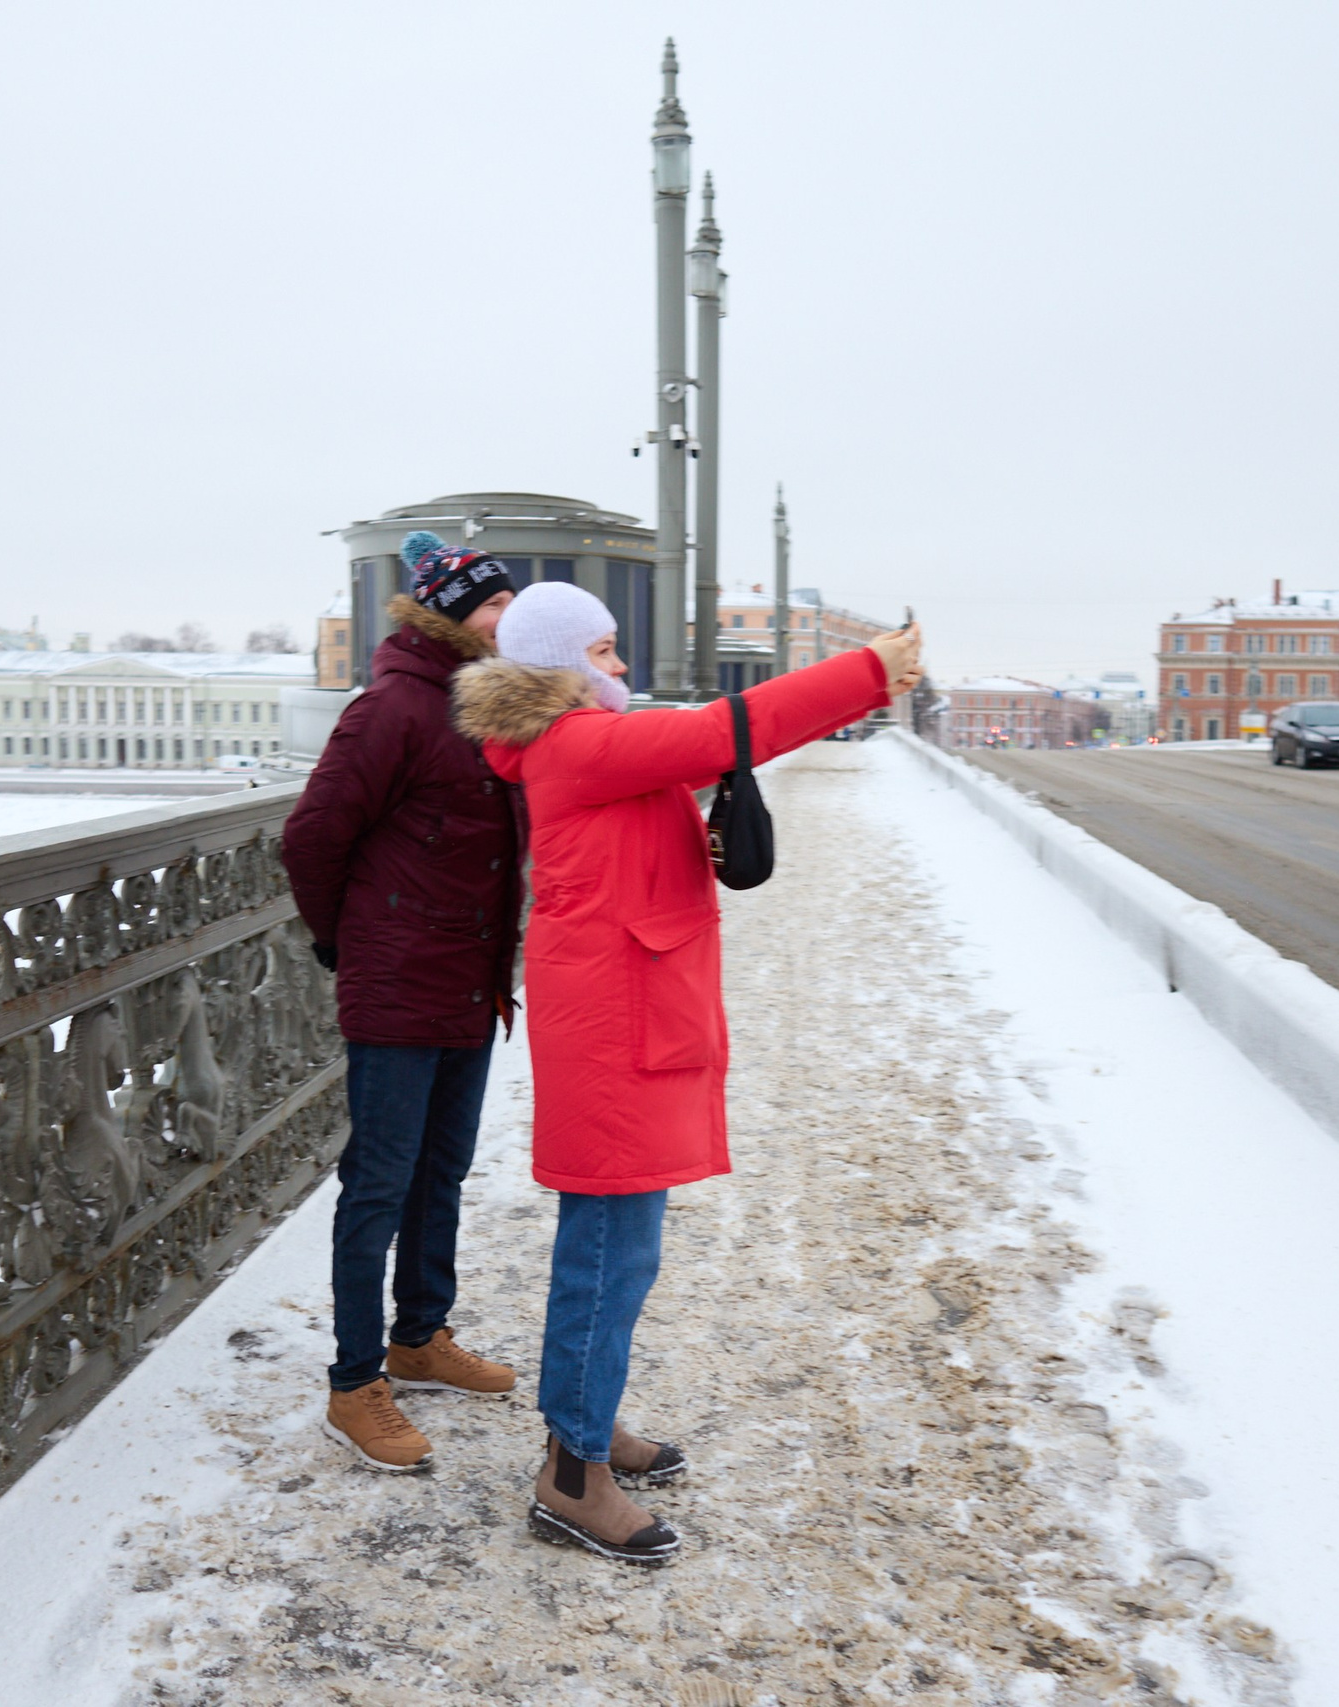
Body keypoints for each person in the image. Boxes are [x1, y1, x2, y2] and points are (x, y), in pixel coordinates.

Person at [451, 581, 922, 1564]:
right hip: (613, 1036)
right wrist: (869, 672)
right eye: (604, 651)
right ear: (561, 665)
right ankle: (571, 1477)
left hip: (626, 1023)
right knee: (607, 1255)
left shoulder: (581, 743)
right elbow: (724, 730)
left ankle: (585, 1421)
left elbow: (705, 752)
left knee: (620, 1249)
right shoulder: (577, 743)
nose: (621, 666)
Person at [282, 530, 527, 1474]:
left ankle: (420, 1337)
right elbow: (312, 837)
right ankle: (355, 1384)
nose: (511, 616)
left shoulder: (489, 703)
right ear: (452, 613)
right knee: (379, 1183)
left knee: (442, 1171)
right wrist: (348, 943)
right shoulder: (391, 707)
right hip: (399, 982)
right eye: (496, 602)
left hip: (468, 979)